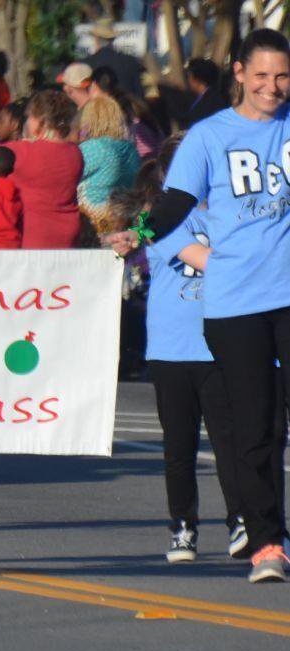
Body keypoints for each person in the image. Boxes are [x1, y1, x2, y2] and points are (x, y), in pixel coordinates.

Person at [109, 29, 290, 582]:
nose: (272, 87)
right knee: (256, 426)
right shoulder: (209, 137)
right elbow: (174, 205)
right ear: (238, 73)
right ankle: (267, 544)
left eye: (282, 76)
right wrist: (135, 233)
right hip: (234, 305)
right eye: (261, 75)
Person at [129, 140, 243, 565]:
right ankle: (183, 527)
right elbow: (206, 259)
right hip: (172, 349)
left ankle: (241, 522)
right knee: (179, 448)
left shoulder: (233, 215)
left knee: (231, 443)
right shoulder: (157, 220)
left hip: (222, 346)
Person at [0, 89, 82, 249]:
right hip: (68, 236)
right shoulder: (75, 153)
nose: (27, 122)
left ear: (41, 120)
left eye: (30, 117)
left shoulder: (25, 151)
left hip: (32, 234)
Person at [76, 94, 139, 235]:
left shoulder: (94, 147)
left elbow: (69, 174)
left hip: (95, 223)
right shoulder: (131, 150)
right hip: (124, 221)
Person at [85, 21, 145, 99]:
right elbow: (140, 95)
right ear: (113, 39)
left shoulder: (87, 63)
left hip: (99, 109)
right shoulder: (130, 61)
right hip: (126, 108)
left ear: (96, 39)